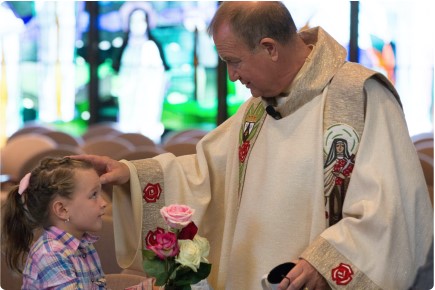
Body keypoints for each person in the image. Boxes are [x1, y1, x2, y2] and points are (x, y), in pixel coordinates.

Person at [73, 2, 433, 290]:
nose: (232, 76)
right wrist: (132, 174)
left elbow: (393, 208)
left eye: (234, 61)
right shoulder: (257, 110)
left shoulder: (360, 96)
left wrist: (326, 261)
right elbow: (207, 174)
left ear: (269, 48)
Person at [1, 157, 108, 289]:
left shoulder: (83, 245)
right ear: (62, 210)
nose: (104, 203)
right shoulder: (51, 255)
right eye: (93, 195)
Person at [112, 7, 169, 143]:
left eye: (141, 21)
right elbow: (117, 69)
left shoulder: (152, 45)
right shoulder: (125, 46)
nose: (137, 25)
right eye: (133, 21)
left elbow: (162, 72)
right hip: (128, 93)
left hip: (147, 94)